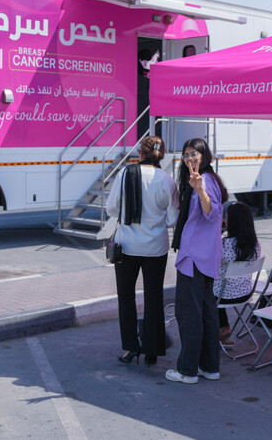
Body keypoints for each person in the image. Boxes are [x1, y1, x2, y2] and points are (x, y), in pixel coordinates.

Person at [106, 135, 178, 366]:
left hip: (127, 245)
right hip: (156, 247)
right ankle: (152, 350)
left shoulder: (126, 174)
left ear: (141, 153)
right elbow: (173, 218)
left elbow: (112, 209)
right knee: (154, 297)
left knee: (126, 297)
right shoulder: (167, 180)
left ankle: (130, 348)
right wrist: (155, 223)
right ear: (162, 154)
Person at [167, 138, 228, 385]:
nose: (190, 158)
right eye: (186, 155)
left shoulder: (205, 181)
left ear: (204, 155)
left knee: (189, 314)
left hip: (194, 257)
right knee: (206, 313)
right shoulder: (209, 179)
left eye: (195, 153)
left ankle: (187, 370)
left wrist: (199, 189)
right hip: (204, 256)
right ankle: (209, 366)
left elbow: (211, 212)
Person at [214, 201, 262, 344]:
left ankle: (221, 327)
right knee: (219, 288)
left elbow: (210, 261)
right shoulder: (255, 245)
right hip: (245, 293)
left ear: (232, 222)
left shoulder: (224, 244)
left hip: (224, 296)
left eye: (227, 218)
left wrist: (218, 232)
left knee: (207, 290)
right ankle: (223, 326)